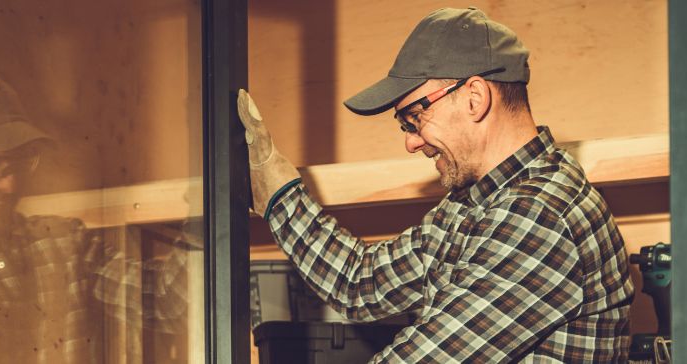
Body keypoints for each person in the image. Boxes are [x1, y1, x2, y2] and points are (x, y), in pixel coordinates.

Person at [237, 8, 634, 362]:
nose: (410, 141)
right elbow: (362, 283)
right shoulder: (477, 202)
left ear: (474, 97)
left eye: (414, 117)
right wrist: (278, 192)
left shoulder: (542, 215)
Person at [0, 73, 189, 363]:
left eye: (19, 162)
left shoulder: (62, 244)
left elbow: (171, 304)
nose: (10, 185)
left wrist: (217, 166)